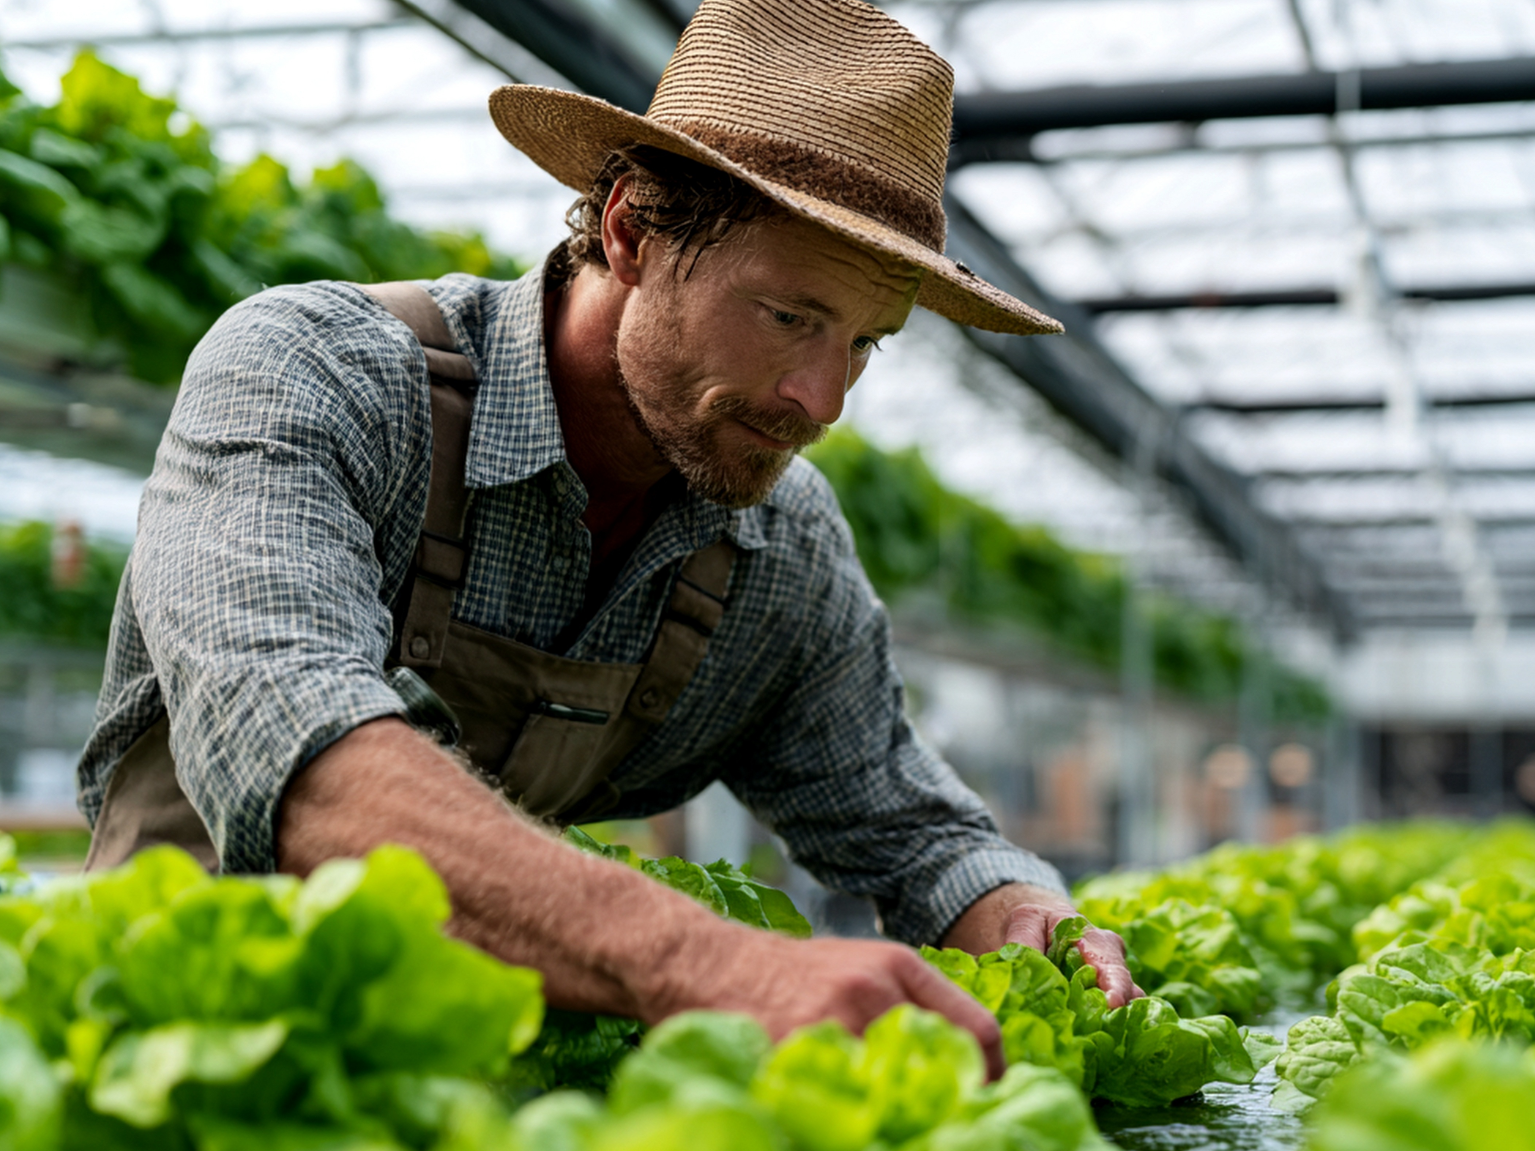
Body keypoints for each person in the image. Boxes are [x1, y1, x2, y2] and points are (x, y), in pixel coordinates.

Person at [75, 0, 1142, 1072]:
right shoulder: (319, 374)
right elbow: (297, 746)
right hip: (161, 1085)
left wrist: (1021, 913)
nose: (824, 400)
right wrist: (706, 960)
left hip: (454, 1103)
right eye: (789, 315)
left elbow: (907, 824)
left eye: (866, 342)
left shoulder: (782, 547)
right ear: (631, 230)